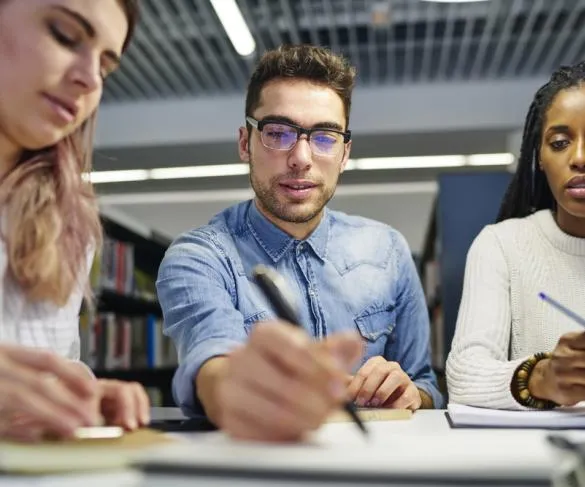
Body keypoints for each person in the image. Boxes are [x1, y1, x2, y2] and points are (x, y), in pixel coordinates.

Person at [157, 44, 442, 442]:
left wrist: (413, 394)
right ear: (245, 143)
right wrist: (239, 388)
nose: (301, 157)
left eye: (324, 137)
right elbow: (212, 366)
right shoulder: (199, 258)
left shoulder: (388, 250)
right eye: (278, 133)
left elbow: (427, 384)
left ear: (345, 153)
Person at [0, 0, 149, 442]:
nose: (88, 78)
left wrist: (79, 392)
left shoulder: (69, 221)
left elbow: (47, 358)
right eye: (65, 36)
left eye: (106, 67)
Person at [447, 62, 585, 410]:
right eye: (560, 142)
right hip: (541, 459)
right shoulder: (501, 245)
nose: (579, 158)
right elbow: (463, 377)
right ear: (539, 156)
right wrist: (541, 378)